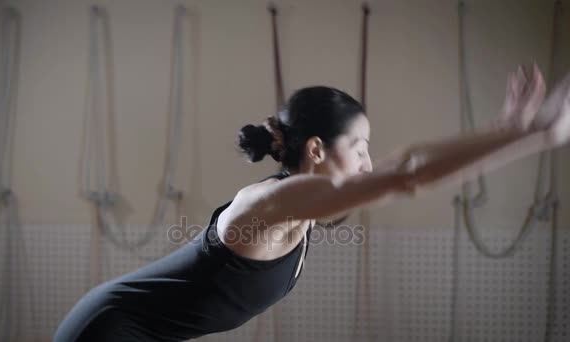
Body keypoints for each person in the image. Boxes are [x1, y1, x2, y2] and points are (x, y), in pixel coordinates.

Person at [54, 63, 570, 341]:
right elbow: (407, 174)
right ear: (317, 149)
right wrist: (532, 137)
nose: (370, 163)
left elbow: (398, 170)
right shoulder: (269, 205)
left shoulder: (299, 210)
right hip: (107, 330)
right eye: (361, 148)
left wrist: (506, 131)